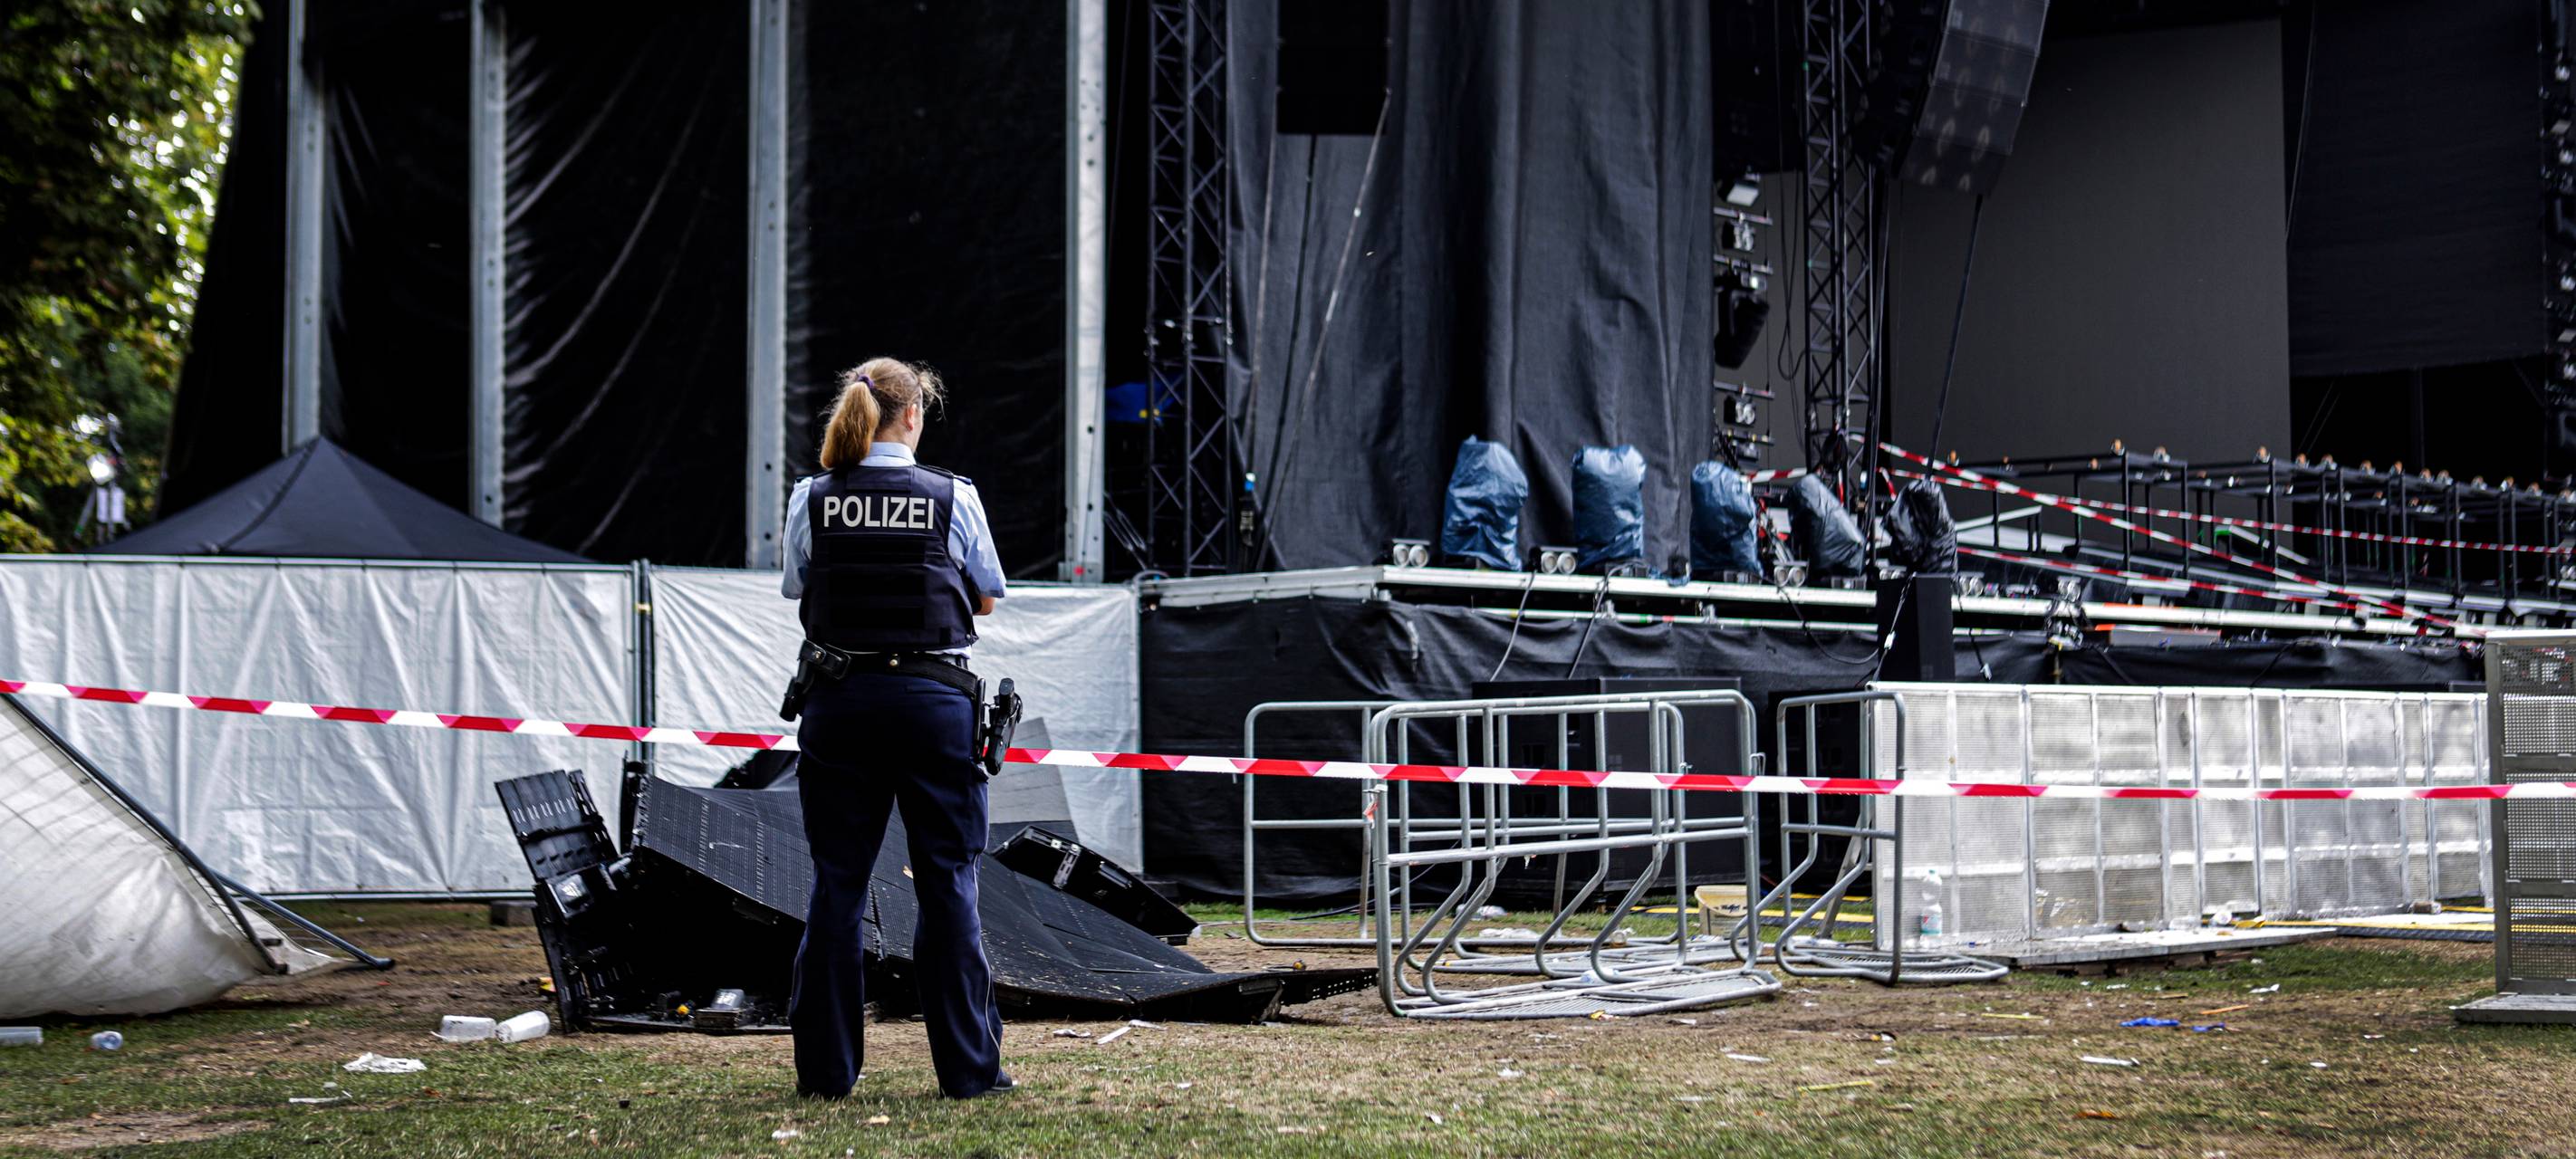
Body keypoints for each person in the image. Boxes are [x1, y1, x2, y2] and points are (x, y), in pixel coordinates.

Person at [780, 358, 1011, 1100]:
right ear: (913, 417)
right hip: (934, 704)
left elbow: (798, 588)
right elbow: (986, 599)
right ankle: (970, 1075)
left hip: (840, 702)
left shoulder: (812, 496)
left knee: (837, 887)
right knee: (948, 884)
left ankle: (826, 1077)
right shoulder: (954, 496)